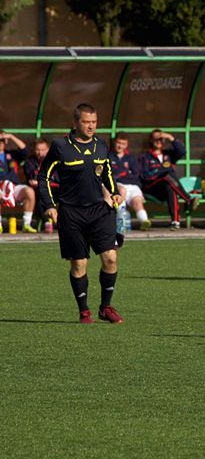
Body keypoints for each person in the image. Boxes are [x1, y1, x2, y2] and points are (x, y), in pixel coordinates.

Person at [38, 103, 124, 324]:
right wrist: (49, 205)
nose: (91, 126)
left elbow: (107, 173)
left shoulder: (101, 145)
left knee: (111, 258)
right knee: (79, 264)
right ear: (75, 123)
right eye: (86, 122)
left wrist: (113, 192)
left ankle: (106, 307)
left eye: (94, 122)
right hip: (71, 213)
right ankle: (84, 311)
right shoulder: (60, 146)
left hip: (99, 211)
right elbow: (44, 177)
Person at [139, 129, 198, 230]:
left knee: (170, 186)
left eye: (161, 139)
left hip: (166, 186)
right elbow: (145, 177)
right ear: (151, 141)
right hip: (151, 188)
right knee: (167, 175)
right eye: (156, 139)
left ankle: (175, 222)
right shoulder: (145, 157)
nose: (159, 141)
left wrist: (171, 138)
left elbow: (182, 151)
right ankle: (188, 199)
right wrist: (160, 172)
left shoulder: (168, 155)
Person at [110, 133, 150, 231]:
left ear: (126, 145)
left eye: (123, 144)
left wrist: (120, 176)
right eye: (118, 143)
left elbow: (136, 176)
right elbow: (110, 176)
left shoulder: (131, 158)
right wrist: (125, 175)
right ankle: (121, 223)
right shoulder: (108, 156)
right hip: (117, 186)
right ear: (114, 143)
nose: (120, 146)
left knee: (137, 201)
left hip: (132, 186)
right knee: (121, 192)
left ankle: (144, 222)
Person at [0, 130, 37, 233]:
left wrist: (11, 136)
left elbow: (25, 150)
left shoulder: (11, 154)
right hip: (0, 187)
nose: (0, 142)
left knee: (29, 191)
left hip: (13, 186)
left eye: (2, 140)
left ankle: (26, 224)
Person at [22, 137, 56, 232]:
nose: (40, 153)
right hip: (41, 190)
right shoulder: (30, 162)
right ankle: (47, 223)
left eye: (43, 150)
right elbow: (31, 178)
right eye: (38, 150)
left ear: (48, 149)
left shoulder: (55, 160)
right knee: (40, 198)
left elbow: (58, 180)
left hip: (56, 189)